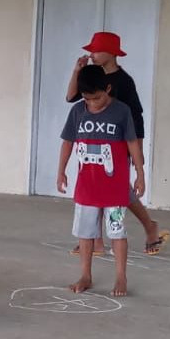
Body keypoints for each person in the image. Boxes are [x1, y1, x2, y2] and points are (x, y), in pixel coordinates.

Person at [64, 31, 170, 257]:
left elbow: (136, 117)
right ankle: (96, 240)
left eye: (96, 51)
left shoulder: (124, 81)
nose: (92, 55)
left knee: (120, 191)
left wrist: (138, 149)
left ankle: (149, 226)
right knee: (99, 190)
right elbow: (71, 97)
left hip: (120, 144)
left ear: (112, 53)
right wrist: (77, 71)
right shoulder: (92, 76)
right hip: (95, 142)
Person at [57, 65, 143, 297]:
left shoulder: (122, 111)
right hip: (87, 188)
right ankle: (85, 275)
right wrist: (61, 171)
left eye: (97, 98)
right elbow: (68, 142)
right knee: (85, 233)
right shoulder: (77, 111)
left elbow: (132, 142)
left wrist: (140, 173)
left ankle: (121, 277)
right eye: (87, 99)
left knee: (117, 232)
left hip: (114, 189)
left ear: (108, 89)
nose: (92, 104)